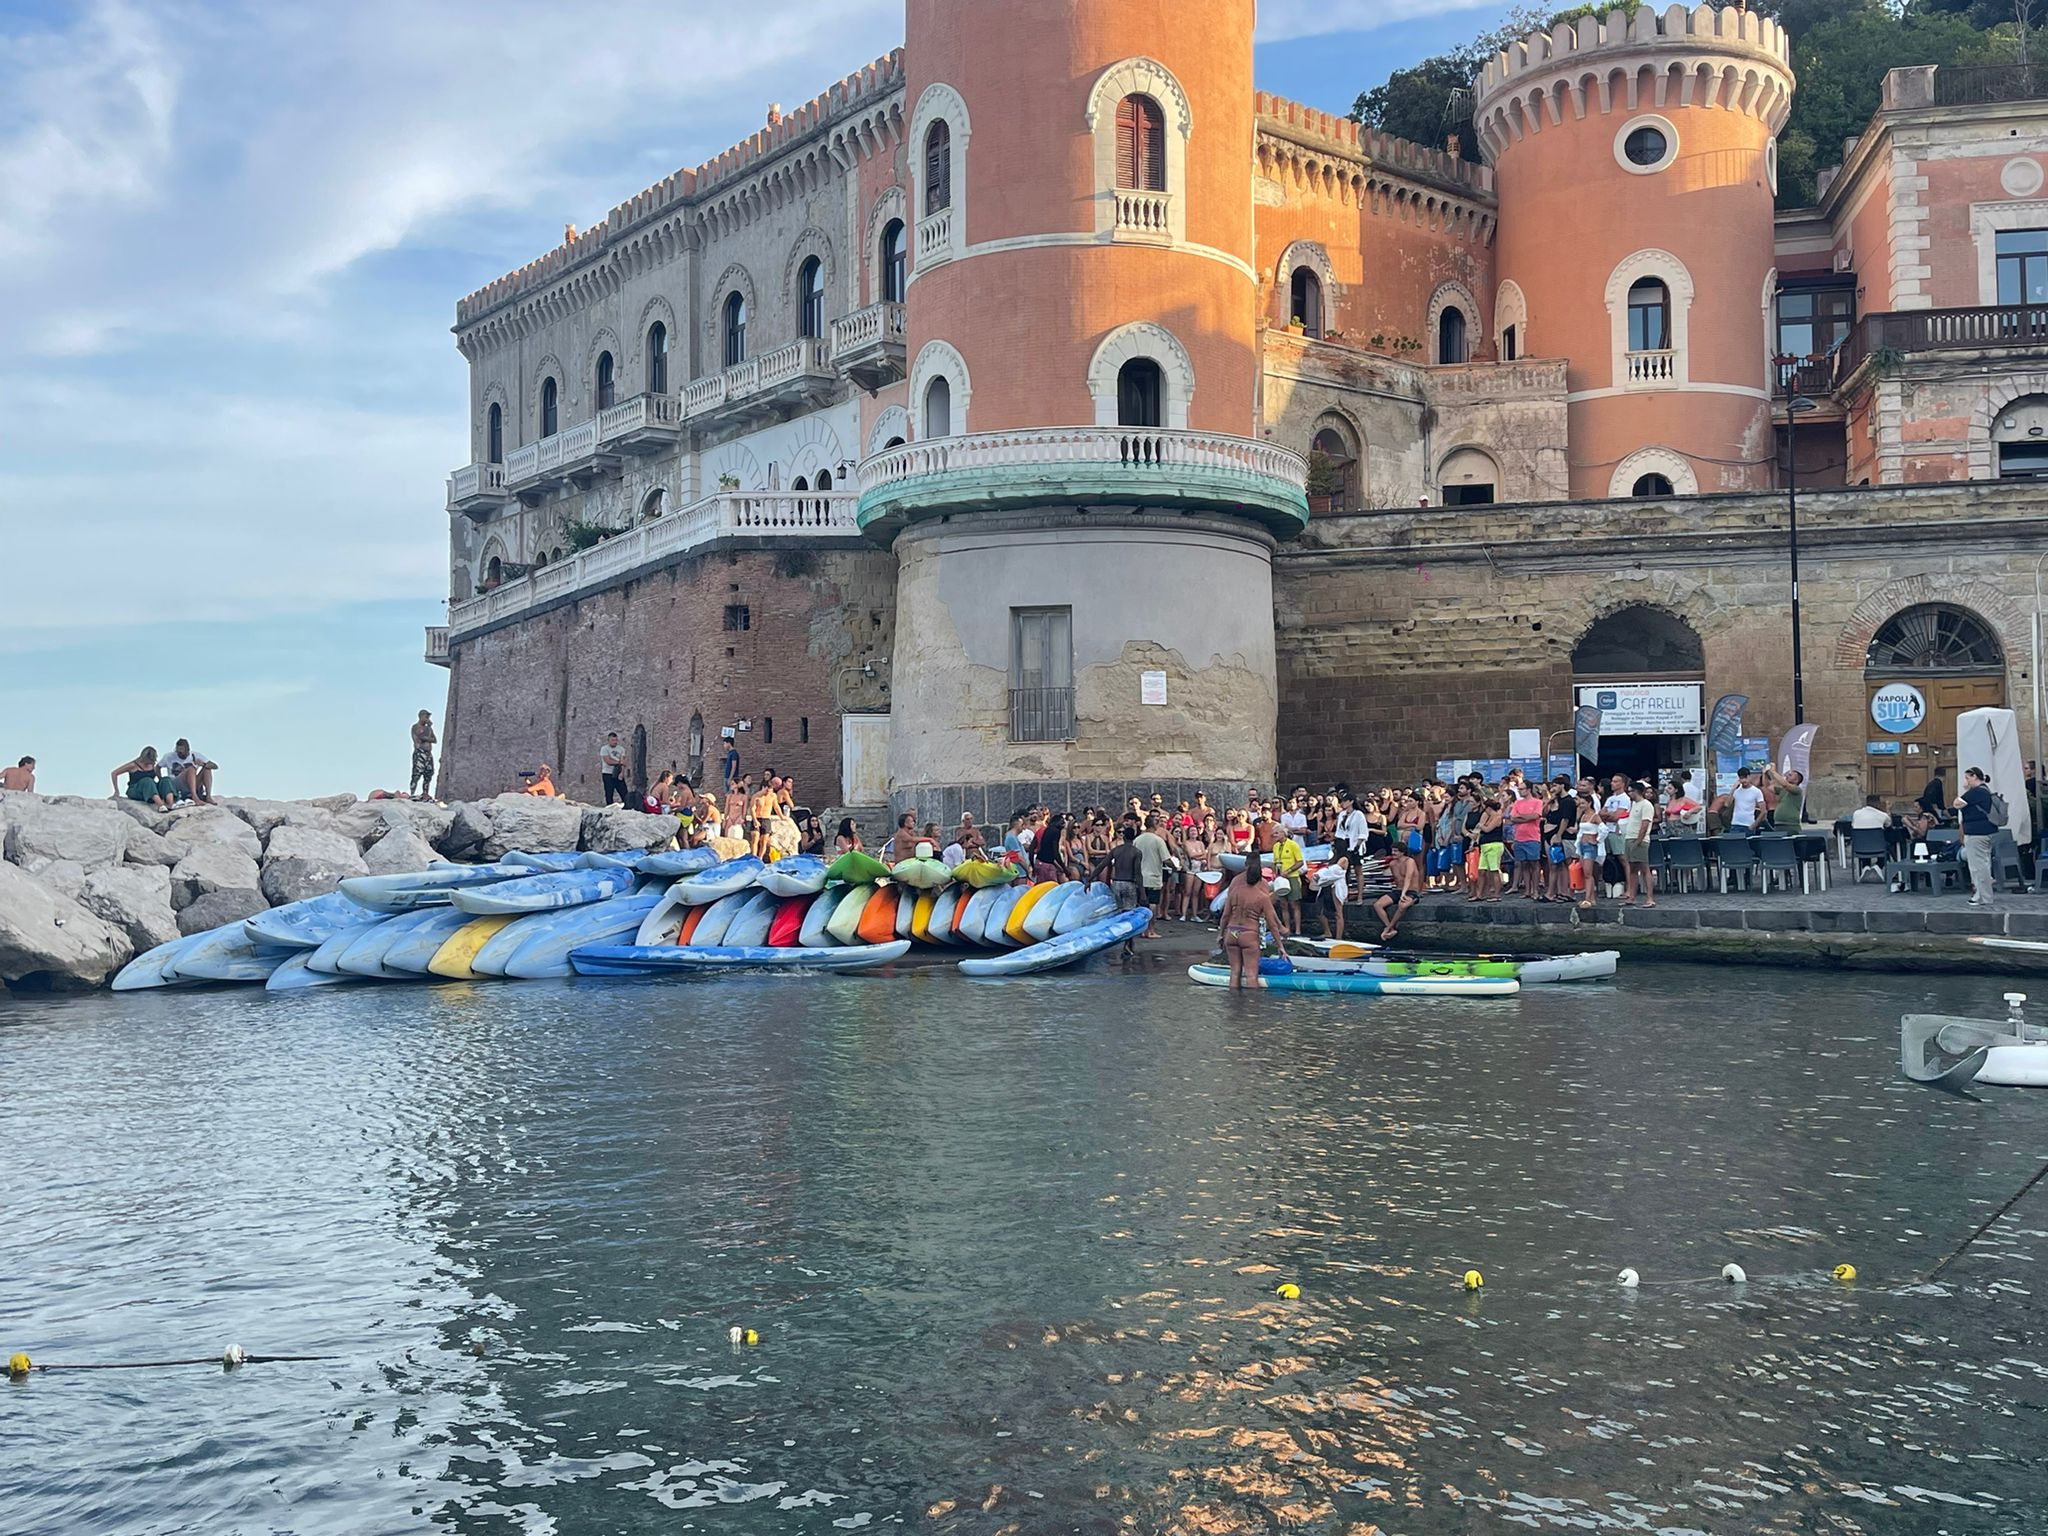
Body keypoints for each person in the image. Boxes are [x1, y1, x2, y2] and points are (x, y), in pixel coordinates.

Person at [1217, 855, 1285, 991]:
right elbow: (1272, 925)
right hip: (1249, 934)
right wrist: (1280, 946)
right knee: (1251, 975)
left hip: (1232, 932)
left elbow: (1225, 916)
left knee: (1235, 972)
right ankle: (1251, 1009)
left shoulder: (1235, 890)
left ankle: (1233, 1006)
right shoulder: (1262, 897)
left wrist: (1220, 934)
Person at [1955, 766, 2001, 907]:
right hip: (1986, 832)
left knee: (1977, 867)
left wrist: (1966, 789)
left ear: (1974, 776)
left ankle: (1982, 896)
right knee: (1983, 864)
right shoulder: (1985, 791)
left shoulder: (1976, 792)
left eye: (1967, 778)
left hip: (1976, 833)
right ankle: (1984, 895)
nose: (1966, 781)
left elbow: (1956, 804)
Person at [1133, 815, 1171, 937]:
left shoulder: (1137, 839)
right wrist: (1176, 867)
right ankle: (1150, 930)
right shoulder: (1158, 840)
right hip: (1154, 877)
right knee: (1153, 904)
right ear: (1155, 825)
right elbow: (1166, 859)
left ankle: (1141, 930)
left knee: (1140, 905)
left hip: (1139, 877)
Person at [1621, 779, 1657, 908]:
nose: (1629, 794)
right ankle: (1632, 896)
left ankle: (1650, 898)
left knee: (1645, 869)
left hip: (1639, 840)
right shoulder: (1634, 805)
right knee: (1632, 869)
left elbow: (1645, 824)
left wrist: (1639, 840)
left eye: (1631, 791)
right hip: (1629, 838)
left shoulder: (1646, 805)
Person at [1572, 791, 1604, 912]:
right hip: (1582, 845)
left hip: (1590, 846)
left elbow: (1603, 829)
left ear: (1589, 803)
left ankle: (1589, 898)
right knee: (1585, 873)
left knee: (1588, 873)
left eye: (1583, 803)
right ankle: (1589, 897)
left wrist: (1597, 839)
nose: (1581, 805)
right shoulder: (1583, 816)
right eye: (1580, 803)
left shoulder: (1594, 816)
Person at [162, 739, 217, 804]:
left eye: (181, 750)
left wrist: (203, 764)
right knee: (191, 769)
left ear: (187, 749)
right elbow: (157, 767)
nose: (179, 753)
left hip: (192, 782)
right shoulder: (169, 756)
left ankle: (208, 797)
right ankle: (194, 796)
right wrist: (161, 779)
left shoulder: (195, 755)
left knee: (207, 769)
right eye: (178, 750)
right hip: (177, 782)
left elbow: (215, 766)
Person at [1763, 763, 1805, 831]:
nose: (1787, 776)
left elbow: (1785, 784)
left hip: (1791, 825)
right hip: (1778, 824)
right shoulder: (1783, 790)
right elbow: (1767, 786)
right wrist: (1764, 774)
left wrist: (1773, 771)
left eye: (1790, 775)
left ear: (1796, 780)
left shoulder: (1797, 790)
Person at [410, 712, 437, 799]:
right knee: (417, 773)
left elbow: (434, 739)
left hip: (428, 753)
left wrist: (429, 729)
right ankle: (412, 792)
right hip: (419, 752)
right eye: (426, 717)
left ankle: (425, 793)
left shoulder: (428, 729)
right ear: (421, 716)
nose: (427, 719)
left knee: (428, 772)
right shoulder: (416, 727)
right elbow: (421, 737)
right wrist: (427, 736)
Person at [600, 732, 628, 806]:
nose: (614, 742)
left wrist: (622, 773)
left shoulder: (621, 749)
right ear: (608, 740)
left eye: (616, 740)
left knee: (624, 792)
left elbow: (623, 761)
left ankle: (627, 806)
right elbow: (608, 761)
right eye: (612, 740)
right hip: (608, 773)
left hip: (618, 773)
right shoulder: (604, 749)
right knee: (609, 792)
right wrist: (619, 762)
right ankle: (609, 807)